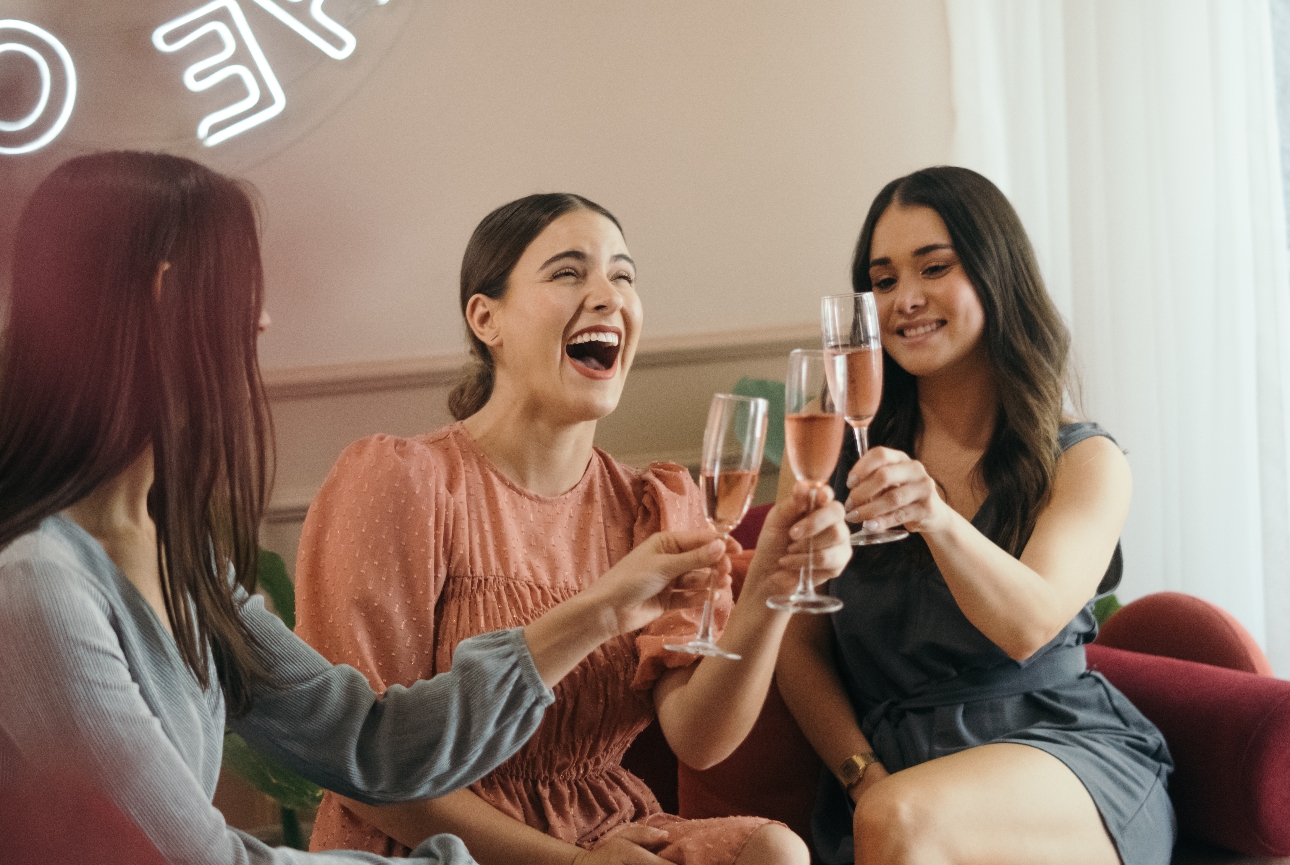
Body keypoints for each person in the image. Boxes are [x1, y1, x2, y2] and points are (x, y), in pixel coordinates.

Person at [0, 152, 730, 865]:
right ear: (165, 295)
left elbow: (372, 745)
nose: (260, 323)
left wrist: (603, 608)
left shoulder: (180, 560)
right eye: (240, 288)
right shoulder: (38, 584)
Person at [294, 193, 852, 865]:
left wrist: (766, 589)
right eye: (567, 272)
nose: (607, 295)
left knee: (774, 852)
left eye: (623, 275)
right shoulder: (402, 481)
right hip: (436, 844)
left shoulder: (654, 502)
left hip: (606, 833)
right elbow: (363, 765)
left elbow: (700, 737)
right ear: (486, 317)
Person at [775, 166, 1175, 865]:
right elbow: (798, 643)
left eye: (934, 267)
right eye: (884, 279)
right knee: (896, 816)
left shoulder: (1085, 461)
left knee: (901, 819)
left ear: (996, 273)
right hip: (895, 774)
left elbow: (1028, 623)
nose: (906, 298)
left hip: (1062, 754)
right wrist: (861, 774)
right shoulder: (834, 449)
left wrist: (933, 513)